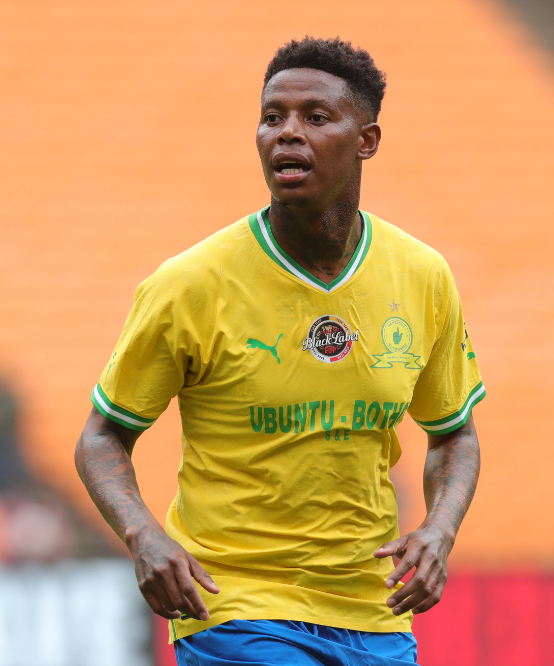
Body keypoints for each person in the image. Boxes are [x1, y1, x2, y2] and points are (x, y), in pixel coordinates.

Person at [75, 36, 484, 666]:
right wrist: (144, 537)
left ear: (366, 140)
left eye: (315, 118)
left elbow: (454, 434)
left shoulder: (422, 277)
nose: (286, 134)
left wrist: (439, 531)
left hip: (373, 611)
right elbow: (103, 437)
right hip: (234, 604)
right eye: (272, 117)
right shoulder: (190, 284)